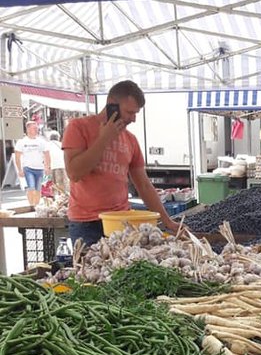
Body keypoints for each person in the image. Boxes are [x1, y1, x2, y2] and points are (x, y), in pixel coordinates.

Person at [62, 80, 180, 247]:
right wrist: (104, 139)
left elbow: (144, 185)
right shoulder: (78, 127)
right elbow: (74, 173)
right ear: (112, 105)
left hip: (121, 222)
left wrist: (167, 221)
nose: (133, 119)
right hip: (86, 223)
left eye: (136, 113)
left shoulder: (131, 140)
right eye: (130, 112)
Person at [15, 121, 50, 207]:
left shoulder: (41, 142)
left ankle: (36, 206)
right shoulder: (22, 142)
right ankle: (31, 205)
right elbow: (17, 156)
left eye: (37, 128)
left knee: (38, 189)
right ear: (28, 129)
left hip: (39, 168)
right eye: (34, 128)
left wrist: (47, 167)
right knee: (31, 187)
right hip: (28, 168)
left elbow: (47, 154)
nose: (36, 130)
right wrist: (19, 170)